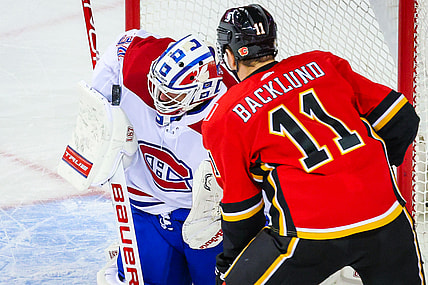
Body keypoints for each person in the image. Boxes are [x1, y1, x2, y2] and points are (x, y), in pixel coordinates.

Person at [202, 4, 425, 285]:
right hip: (386, 218)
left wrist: (234, 261)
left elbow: (242, 207)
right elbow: (402, 117)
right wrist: (371, 173)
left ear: (231, 55)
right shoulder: (323, 64)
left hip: (309, 233)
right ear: (272, 43)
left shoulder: (225, 115)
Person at [91, 28, 236, 285]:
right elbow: (121, 47)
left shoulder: (231, 115)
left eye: (171, 95)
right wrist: (102, 107)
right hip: (146, 203)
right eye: (157, 88)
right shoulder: (141, 67)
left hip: (207, 222)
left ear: (201, 92)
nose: (158, 98)